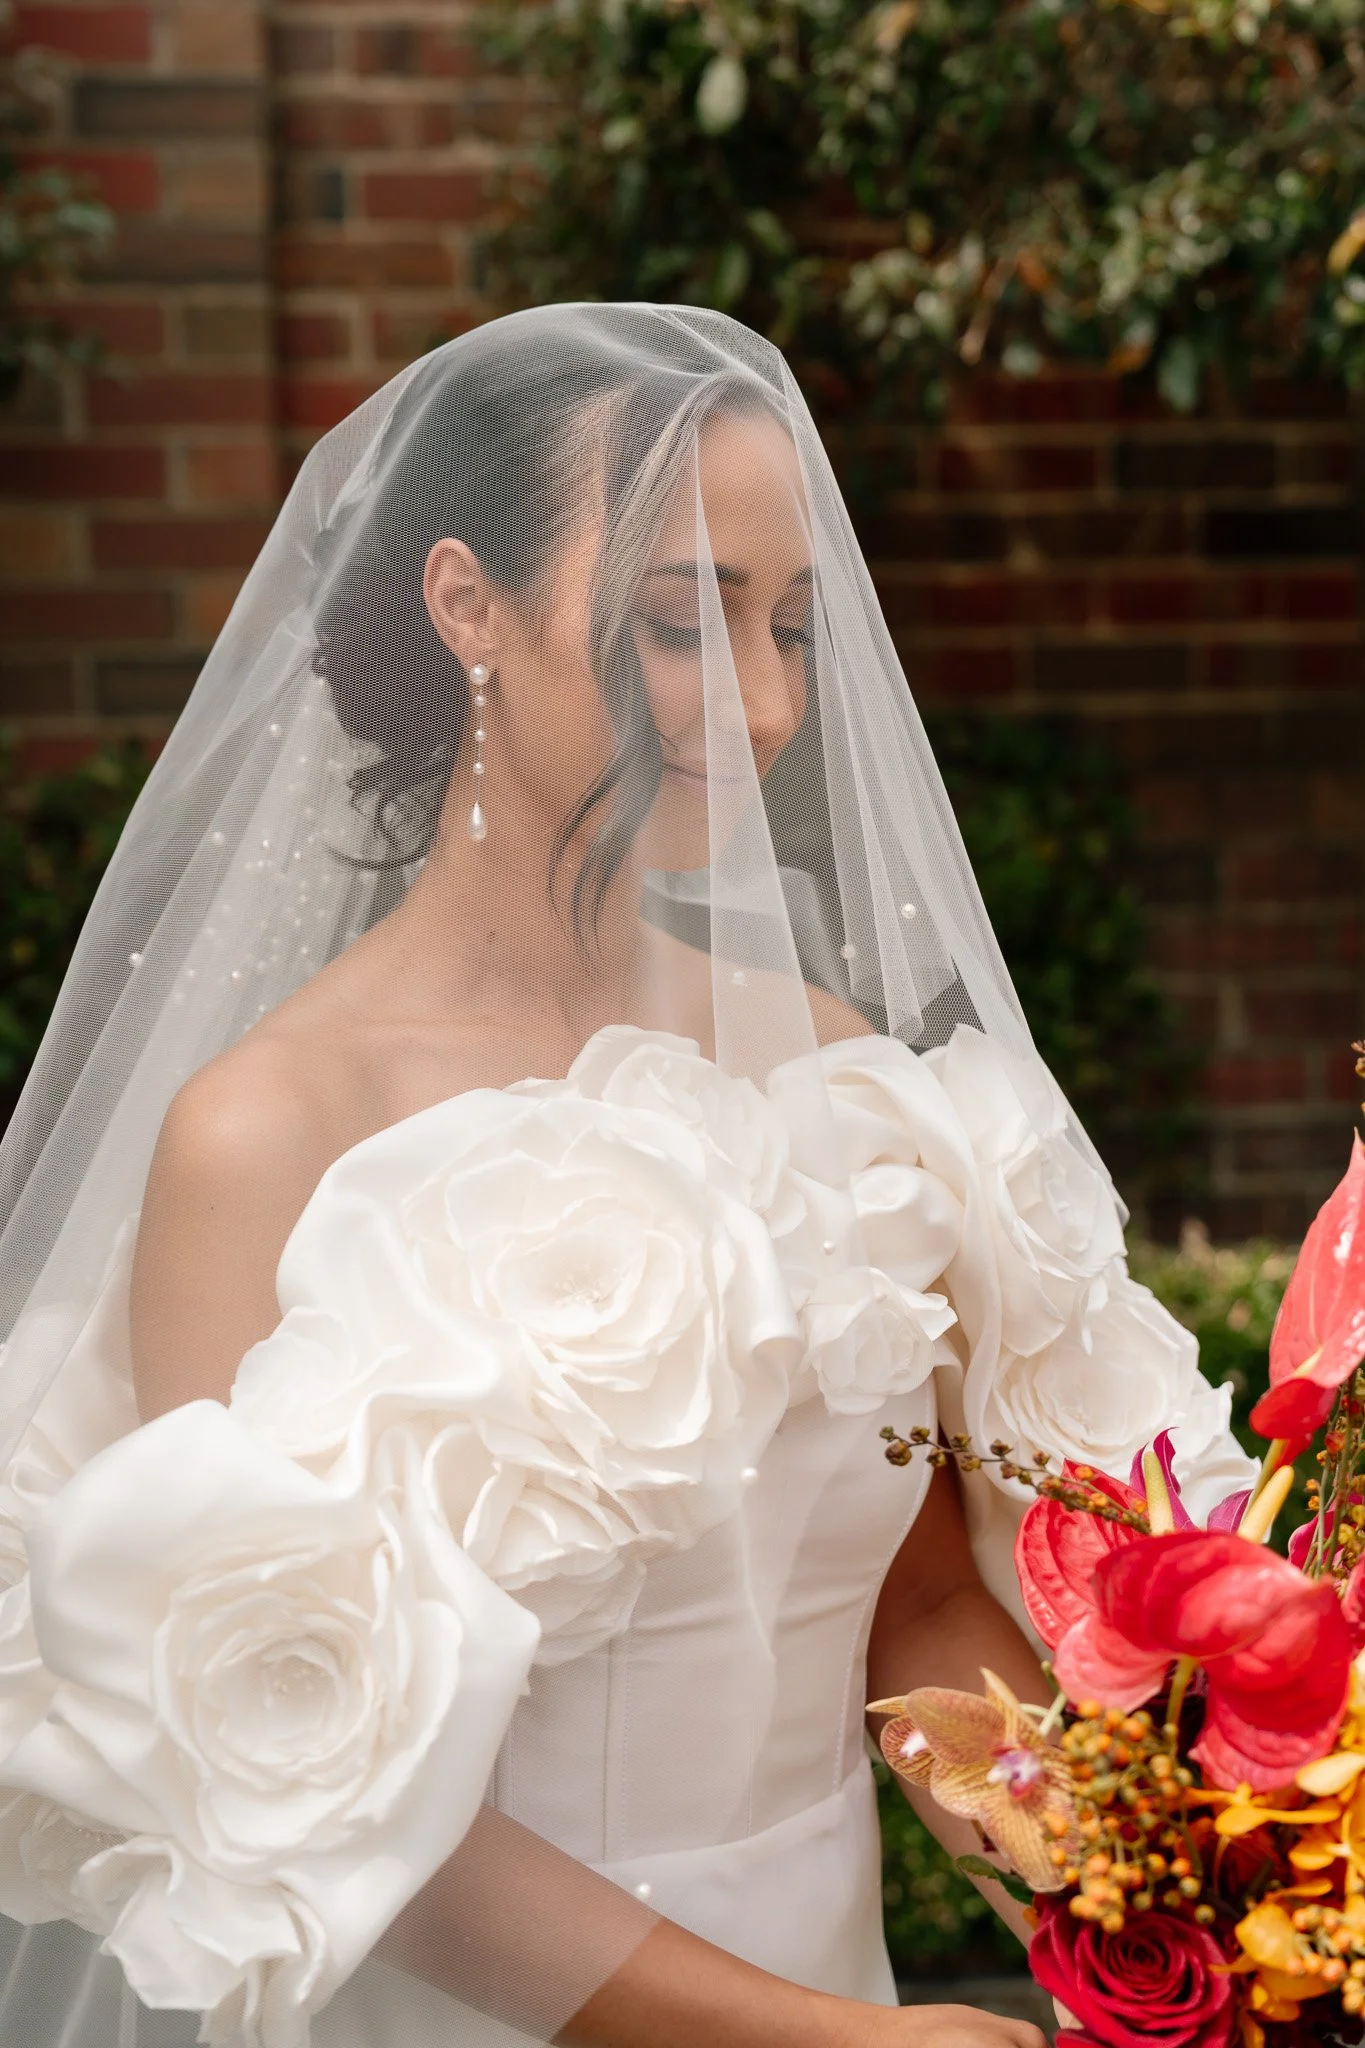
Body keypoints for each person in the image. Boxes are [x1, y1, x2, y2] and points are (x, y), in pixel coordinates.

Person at [0, 305, 1254, 2048]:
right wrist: (832, 2046)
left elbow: (912, 1596)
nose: (763, 704)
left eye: (793, 625)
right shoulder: (267, 1134)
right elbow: (308, 1804)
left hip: (842, 1988)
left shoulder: (838, 1073)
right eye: (682, 619)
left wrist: (1140, 1876)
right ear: (466, 608)